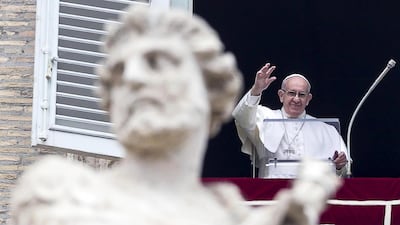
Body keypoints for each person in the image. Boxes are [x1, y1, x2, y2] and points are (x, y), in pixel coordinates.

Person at [232, 63, 348, 178]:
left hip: (311, 193)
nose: (296, 99)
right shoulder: (264, 117)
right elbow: (241, 116)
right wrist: (256, 90)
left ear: (308, 99)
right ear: (281, 95)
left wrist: (339, 166)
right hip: (271, 192)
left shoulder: (326, 130)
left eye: (302, 94)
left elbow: (345, 168)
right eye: (292, 93)